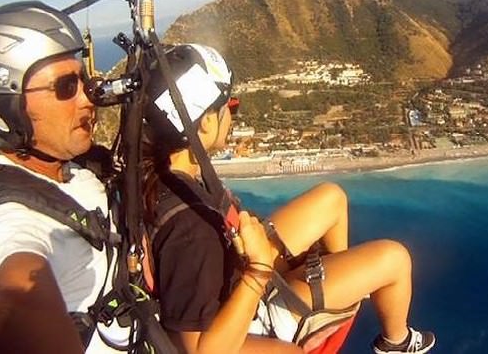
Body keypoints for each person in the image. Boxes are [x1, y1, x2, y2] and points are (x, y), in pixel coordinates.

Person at [141, 44, 436, 354]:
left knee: (331, 198)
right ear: (203, 122)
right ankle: (396, 342)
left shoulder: (166, 169)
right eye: (230, 107)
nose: (233, 116)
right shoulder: (191, 228)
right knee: (395, 258)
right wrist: (259, 269)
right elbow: (199, 349)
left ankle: (337, 291)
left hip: (233, 266)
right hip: (243, 311)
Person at [0, 1, 131, 353]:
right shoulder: (9, 218)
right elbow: (21, 284)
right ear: (6, 109)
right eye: (65, 87)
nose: (87, 100)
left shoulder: (76, 164)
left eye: (84, 80)